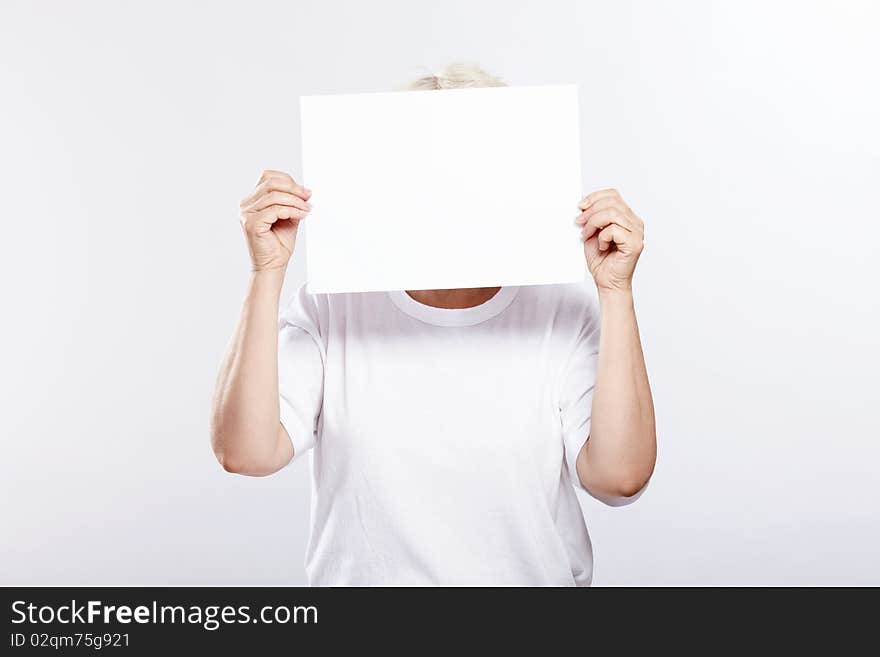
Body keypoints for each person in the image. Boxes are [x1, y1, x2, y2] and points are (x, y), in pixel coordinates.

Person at [210, 63, 656, 586]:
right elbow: (246, 452)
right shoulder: (332, 309)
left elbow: (619, 477)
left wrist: (616, 291)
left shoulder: (562, 313)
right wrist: (268, 272)